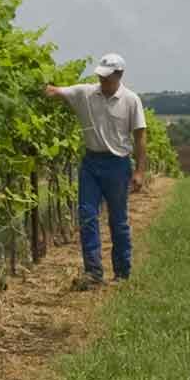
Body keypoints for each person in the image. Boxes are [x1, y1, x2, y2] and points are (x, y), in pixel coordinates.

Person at [43, 52, 146, 289]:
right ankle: (93, 272)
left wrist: (139, 171)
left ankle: (122, 272)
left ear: (120, 75)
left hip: (118, 164)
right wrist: (41, 86)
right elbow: (56, 91)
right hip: (91, 163)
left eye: (107, 77)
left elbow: (140, 137)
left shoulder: (131, 100)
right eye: (100, 76)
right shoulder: (85, 93)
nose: (102, 81)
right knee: (87, 216)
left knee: (118, 220)